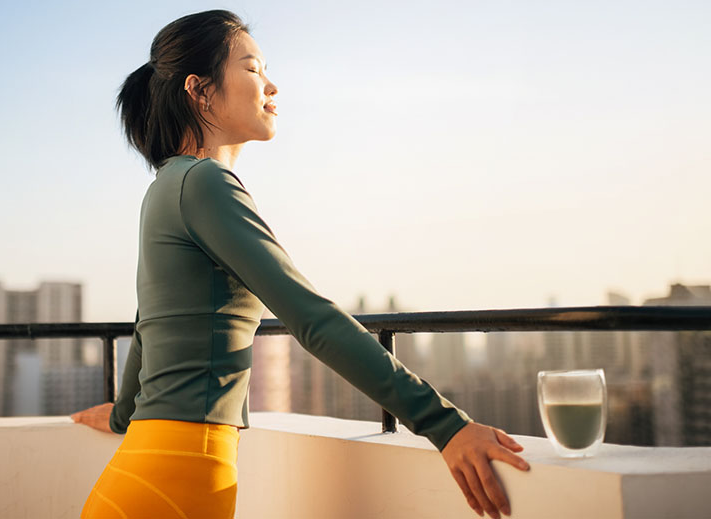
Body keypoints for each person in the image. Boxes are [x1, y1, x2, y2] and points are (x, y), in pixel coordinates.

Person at [71, 9, 530, 519]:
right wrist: (446, 426)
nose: (271, 86)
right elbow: (310, 317)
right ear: (199, 91)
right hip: (177, 478)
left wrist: (120, 416)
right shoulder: (203, 183)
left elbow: (149, 326)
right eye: (252, 68)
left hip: (147, 468)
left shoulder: (166, 187)